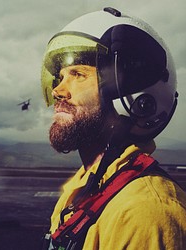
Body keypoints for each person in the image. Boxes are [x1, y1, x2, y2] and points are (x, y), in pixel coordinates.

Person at [41, 7, 186, 250]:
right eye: (60, 77)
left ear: (136, 97)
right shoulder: (80, 188)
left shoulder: (146, 212)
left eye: (78, 74)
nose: (58, 91)